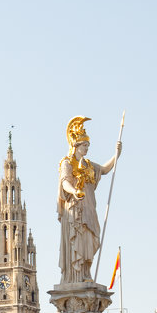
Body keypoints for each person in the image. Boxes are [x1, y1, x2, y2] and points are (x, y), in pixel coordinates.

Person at [56, 116, 121, 283]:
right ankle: (74, 277)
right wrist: (75, 191)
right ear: (76, 145)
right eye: (85, 145)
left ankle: (86, 273)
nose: (87, 148)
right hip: (75, 209)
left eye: (88, 145)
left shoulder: (89, 165)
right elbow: (64, 182)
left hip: (89, 208)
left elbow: (105, 170)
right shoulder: (67, 162)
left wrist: (116, 155)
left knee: (90, 239)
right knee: (77, 239)